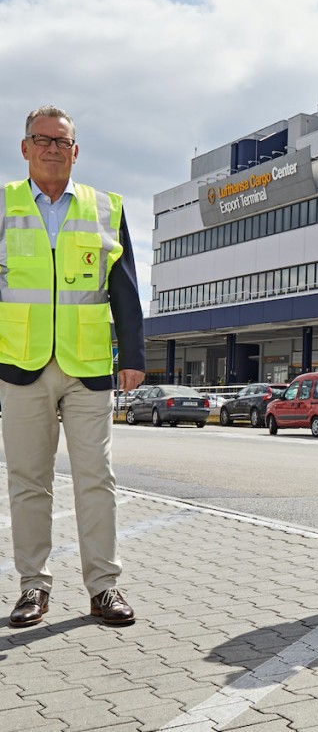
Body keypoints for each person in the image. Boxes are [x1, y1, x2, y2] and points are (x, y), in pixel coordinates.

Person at [1, 105, 145, 627]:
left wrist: (133, 355)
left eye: (63, 142)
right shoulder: (4, 205)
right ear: (25, 147)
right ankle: (33, 588)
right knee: (28, 481)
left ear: (76, 151)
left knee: (96, 479)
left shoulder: (105, 207)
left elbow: (125, 287)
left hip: (87, 368)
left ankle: (104, 588)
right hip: (20, 364)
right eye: (43, 140)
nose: (53, 148)